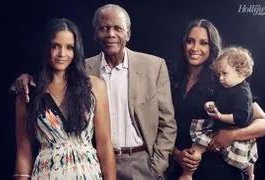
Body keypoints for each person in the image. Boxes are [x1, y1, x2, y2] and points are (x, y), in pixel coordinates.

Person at [11, 4, 177, 180]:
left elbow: (167, 123)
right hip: (86, 165)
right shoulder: (82, 71)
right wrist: (25, 79)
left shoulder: (152, 67)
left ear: (128, 33)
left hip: (140, 164)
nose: (110, 34)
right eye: (104, 28)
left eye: (117, 28)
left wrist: (156, 167)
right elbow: (24, 149)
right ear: (95, 35)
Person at [166, 19, 265, 180]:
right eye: (190, 41)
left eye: (203, 43)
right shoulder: (172, 77)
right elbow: (159, 124)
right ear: (184, 44)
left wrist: (231, 135)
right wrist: (177, 154)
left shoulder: (224, 80)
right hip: (179, 168)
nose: (195, 48)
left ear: (212, 47)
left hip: (218, 170)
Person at [14, 18, 116, 180]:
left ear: (76, 51)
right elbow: (24, 153)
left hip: (88, 174)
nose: (62, 54)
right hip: (46, 174)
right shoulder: (28, 91)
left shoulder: (94, 86)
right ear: (46, 48)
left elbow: (104, 146)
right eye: (55, 46)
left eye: (69, 47)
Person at [180, 46, 258, 180]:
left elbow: (242, 118)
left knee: (249, 156)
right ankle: (187, 174)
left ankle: (250, 174)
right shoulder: (226, 86)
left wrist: (220, 116)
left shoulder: (243, 93)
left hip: (235, 128)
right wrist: (211, 104)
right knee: (197, 146)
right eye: (219, 74)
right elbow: (221, 102)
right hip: (220, 128)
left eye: (225, 74)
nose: (221, 78)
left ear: (240, 73)